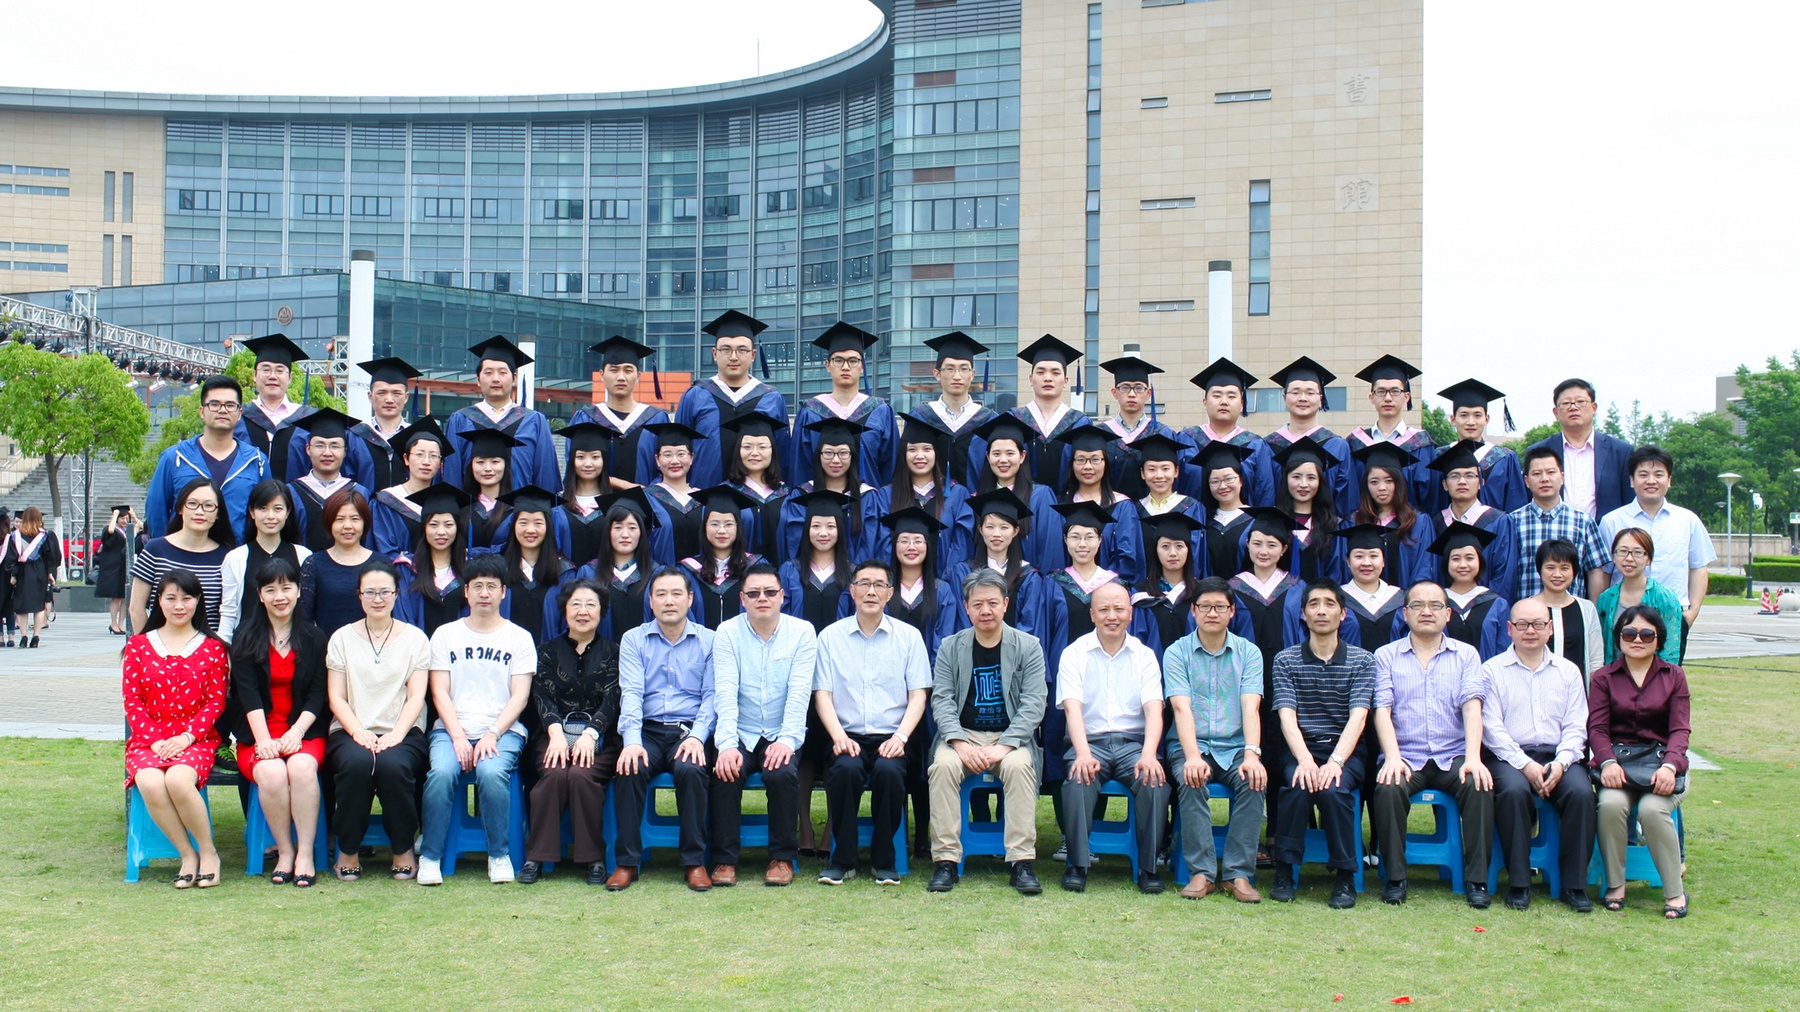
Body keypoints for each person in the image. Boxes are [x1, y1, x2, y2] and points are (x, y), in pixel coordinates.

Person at [1370, 579, 1494, 909]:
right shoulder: (1386, 656)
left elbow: (1472, 707)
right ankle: (1395, 878)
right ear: (1405, 613)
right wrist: (1392, 757)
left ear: (1448, 614)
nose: (1427, 611)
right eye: (1418, 605)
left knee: (1479, 783)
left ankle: (1477, 879)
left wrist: (1473, 757)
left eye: (1436, 605)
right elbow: (1382, 709)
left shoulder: (1466, 655)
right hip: (1406, 755)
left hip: (1453, 755)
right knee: (1388, 787)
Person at [924, 567, 1048, 895]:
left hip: (1011, 738)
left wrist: (1004, 746)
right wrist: (960, 744)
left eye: (993, 603)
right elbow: (942, 700)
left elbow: (1034, 704)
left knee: (1019, 767)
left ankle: (1021, 861)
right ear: (966, 607)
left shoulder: (1028, 646)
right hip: (963, 735)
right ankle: (946, 860)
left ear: (1006, 604)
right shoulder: (951, 647)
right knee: (943, 766)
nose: (986, 611)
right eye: (978, 604)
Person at [812, 560, 933, 885]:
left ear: (890, 593)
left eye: (879, 585)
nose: (871, 591)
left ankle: (884, 860)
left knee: (889, 772)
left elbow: (918, 695)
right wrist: (838, 736)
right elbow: (822, 694)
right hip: (846, 734)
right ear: (851, 591)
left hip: (893, 736)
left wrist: (901, 738)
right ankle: (843, 860)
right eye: (864, 584)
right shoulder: (830, 637)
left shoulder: (908, 637)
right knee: (845, 770)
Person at [418, 553, 536, 885]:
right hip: (450, 729)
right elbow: (439, 692)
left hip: (503, 731)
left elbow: (520, 697)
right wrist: (457, 736)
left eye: (492, 586)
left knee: (491, 772)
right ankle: (430, 856)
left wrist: (492, 733)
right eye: (478, 586)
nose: (484, 593)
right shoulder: (445, 635)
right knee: (441, 773)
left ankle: (499, 855)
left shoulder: (519, 638)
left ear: (503, 592)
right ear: (466, 591)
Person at [1481, 598, 1596, 912]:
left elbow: (1577, 725)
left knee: (1581, 793)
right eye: (1522, 624)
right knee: (1513, 792)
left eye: (1538, 624)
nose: (1530, 631)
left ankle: (1574, 885)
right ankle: (1519, 883)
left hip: (1559, 755)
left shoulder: (1568, 671)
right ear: (1509, 629)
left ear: (1550, 629)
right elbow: (1491, 729)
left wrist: (1561, 763)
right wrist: (1526, 765)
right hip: (1508, 757)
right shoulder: (1491, 671)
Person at [609, 566, 717, 892]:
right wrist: (631, 741)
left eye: (676, 594)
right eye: (661, 594)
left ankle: (694, 862)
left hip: (689, 730)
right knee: (630, 767)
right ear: (651, 601)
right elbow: (631, 693)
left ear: (690, 599)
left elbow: (712, 697)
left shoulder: (710, 641)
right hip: (648, 730)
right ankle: (627, 862)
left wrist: (697, 737)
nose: (669, 601)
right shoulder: (634, 639)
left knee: (692, 770)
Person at [122, 568, 231, 889]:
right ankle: (187, 854)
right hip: (148, 740)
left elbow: (215, 703)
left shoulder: (213, 648)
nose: (179, 605)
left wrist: (186, 737)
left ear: (198, 601)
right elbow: (132, 701)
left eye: (187, 598)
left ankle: (209, 853)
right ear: (159, 601)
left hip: (195, 738)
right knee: (150, 781)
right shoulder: (138, 646)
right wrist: (155, 741)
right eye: (171, 598)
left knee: (179, 780)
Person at [710, 563, 818, 887]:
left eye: (770, 592)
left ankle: (782, 858)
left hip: (781, 730)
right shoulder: (727, 632)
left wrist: (786, 741)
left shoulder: (802, 632)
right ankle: (725, 860)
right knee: (726, 771)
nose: (762, 598)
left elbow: (799, 693)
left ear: (782, 596)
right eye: (754, 593)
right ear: (742, 598)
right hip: (740, 730)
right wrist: (727, 745)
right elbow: (725, 691)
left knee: (782, 773)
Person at [1055, 581, 1167, 893]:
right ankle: (1077, 864)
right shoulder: (1074, 653)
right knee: (1078, 779)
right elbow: (1072, 709)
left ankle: (1149, 867)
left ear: (1130, 613)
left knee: (1154, 782)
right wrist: (1082, 753)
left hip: (1134, 743)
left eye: (1119, 609)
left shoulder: (1144, 656)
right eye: (1103, 609)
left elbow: (1154, 710)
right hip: (1090, 742)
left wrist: (1149, 754)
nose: (1112, 616)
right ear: (1092, 614)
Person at [324, 557, 432, 881]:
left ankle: (403, 848)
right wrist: (357, 730)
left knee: (392, 766)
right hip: (350, 729)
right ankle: (348, 849)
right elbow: (336, 697)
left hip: (403, 730)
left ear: (397, 594)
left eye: (385, 592)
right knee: (357, 765)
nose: (377, 599)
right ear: (359, 595)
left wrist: (397, 734)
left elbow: (417, 696)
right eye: (369, 592)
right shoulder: (341, 638)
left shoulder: (415, 639)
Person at [1268, 579, 1373, 908]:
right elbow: (1287, 717)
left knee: (1333, 791)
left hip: (1345, 751)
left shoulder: (1362, 661)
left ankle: (1345, 876)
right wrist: (1305, 761)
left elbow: (1358, 717)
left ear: (1343, 613)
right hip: (1301, 748)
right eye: (1314, 604)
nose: (1321, 611)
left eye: (1330, 604)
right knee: (1298, 786)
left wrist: (1335, 762)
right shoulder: (1286, 660)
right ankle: (1284, 871)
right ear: (1303, 614)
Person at [1164, 577, 1267, 902]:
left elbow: (1251, 706)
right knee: (1191, 779)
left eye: (1219, 607)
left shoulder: (1249, 653)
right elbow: (1180, 707)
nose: (1212, 613)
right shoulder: (1176, 652)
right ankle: (1201, 872)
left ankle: (1238, 874)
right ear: (1193, 611)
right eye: (1205, 606)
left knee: (1254, 781)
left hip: (1235, 745)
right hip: (1191, 745)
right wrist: (1193, 756)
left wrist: (1251, 754)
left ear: (1232, 611)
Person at [228, 556, 327, 887]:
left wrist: (297, 732)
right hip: (258, 732)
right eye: (270, 589)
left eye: (286, 588)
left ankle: (306, 853)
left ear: (298, 591)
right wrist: (263, 741)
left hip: (304, 730)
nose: (279, 596)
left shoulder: (314, 637)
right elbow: (247, 695)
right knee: (271, 772)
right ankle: (285, 851)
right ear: (260, 595)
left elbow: (318, 694)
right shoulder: (245, 637)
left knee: (301, 767)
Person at [1589, 605, 1691, 918]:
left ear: (1658, 640)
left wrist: (1670, 766)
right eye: (1629, 633)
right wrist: (1607, 762)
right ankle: (1615, 884)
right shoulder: (1603, 678)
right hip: (1618, 767)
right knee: (1610, 804)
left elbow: (1680, 730)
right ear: (1618, 637)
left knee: (1652, 809)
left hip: (1663, 766)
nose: (1637, 639)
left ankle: (1674, 892)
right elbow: (1597, 729)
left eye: (1647, 634)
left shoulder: (1674, 676)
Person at [518, 581, 621, 885]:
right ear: (564, 610)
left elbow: (613, 699)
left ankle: (593, 859)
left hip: (600, 740)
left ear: (601, 611)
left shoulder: (614, 653)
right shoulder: (546, 652)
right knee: (553, 775)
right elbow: (541, 696)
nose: (583, 611)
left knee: (580, 775)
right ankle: (536, 857)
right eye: (575, 604)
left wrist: (591, 733)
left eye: (591, 604)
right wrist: (556, 734)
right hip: (553, 737)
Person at [1597, 445, 1714, 662]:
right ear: (1632, 480)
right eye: (1643, 475)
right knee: (1618, 676)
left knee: (1667, 677)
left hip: (1672, 617)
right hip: (1622, 617)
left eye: (1658, 474)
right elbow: (1604, 572)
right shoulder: (1612, 521)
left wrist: (1691, 613)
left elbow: (1699, 567)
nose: (1651, 481)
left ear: (1669, 480)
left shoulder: (1687, 520)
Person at [663, 310, 792, 490]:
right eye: (726, 349)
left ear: (753, 355)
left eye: (742, 350)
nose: (733, 357)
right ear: (714, 353)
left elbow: (782, 455)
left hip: (758, 499)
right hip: (704, 494)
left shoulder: (771, 398)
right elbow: (679, 448)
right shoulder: (695, 395)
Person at [145, 375, 270, 542]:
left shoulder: (257, 461)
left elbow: (265, 512)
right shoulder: (174, 458)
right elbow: (156, 512)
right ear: (202, 411)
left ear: (240, 413)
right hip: (185, 554)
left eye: (230, 405)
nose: (223, 410)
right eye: (214, 404)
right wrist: (167, 551)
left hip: (237, 554)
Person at [441, 335, 561, 494]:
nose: (496, 379)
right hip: (472, 508)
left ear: (514, 378)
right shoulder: (460, 420)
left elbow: (545, 476)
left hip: (521, 508)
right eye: (488, 373)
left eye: (503, 372)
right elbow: (452, 474)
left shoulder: (534, 421)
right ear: (478, 380)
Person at [789, 322, 897, 488]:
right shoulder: (810, 411)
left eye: (853, 361)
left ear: (862, 366)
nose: (845, 367)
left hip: (869, 501)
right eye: (838, 360)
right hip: (820, 501)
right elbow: (800, 468)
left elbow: (891, 468)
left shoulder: (880, 411)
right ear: (827, 365)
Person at [128, 481, 231, 637]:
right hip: (161, 647)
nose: (200, 511)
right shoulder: (155, 550)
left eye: (208, 506)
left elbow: (229, 613)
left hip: (209, 647)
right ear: (180, 508)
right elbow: (136, 608)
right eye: (192, 504)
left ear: (218, 513)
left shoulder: (227, 556)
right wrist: (147, 646)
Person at [873, 409, 974, 567]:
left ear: (936, 454)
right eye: (912, 450)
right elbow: (882, 543)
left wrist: (945, 579)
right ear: (903, 454)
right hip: (898, 580)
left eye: (927, 449)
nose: (920, 456)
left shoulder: (957, 493)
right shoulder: (887, 495)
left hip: (944, 580)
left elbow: (961, 545)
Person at [1511, 445, 1610, 602]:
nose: (1544, 479)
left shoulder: (1583, 521)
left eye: (1551, 472)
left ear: (1562, 477)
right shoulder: (1512, 521)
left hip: (1571, 612)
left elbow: (1595, 571)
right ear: (1527, 481)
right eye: (1536, 473)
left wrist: (1592, 610)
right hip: (1526, 613)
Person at [218, 479, 312, 643]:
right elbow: (229, 611)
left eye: (278, 509)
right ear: (252, 512)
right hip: (248, 647)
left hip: (293, 647)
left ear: (288, 512)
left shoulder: (303, 556)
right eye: (263, 508)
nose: (270, 516)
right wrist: (224, 649)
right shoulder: (236, 558)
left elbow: (308, 608)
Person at [971, 413, 1064, 576]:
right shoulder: (976, 499)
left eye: (1010, 453)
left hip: (1029, 585)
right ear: (988, 456)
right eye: (996, 454)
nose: (1003, 460)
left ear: (1022, 456)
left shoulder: (1040, 496)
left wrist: (1036, 585)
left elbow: (1050, 551)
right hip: (984, 585)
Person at [1528, 378, 1634, 519]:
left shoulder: (1620, 451)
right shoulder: (1538, 451)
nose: (1573, 407)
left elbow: (1629, 501)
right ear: (1556, 412)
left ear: (1594, 408)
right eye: (1566, 403)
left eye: (1580, 402)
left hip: (1605, 531)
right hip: (1553, 530)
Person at [1346, 355, 1439, 511]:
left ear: (1406, 397)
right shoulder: (1354, 444)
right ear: (1371, 397)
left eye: (1395, 391)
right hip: (1364, 524)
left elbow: (1432, 497)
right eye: (1381, 391)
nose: (1388, 398)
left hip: (1411, 524)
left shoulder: (1421, 444)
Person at [1179, 357, 1275, 507]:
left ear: (1242, 404)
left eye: (1231, 396)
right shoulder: (1186, 439)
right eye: (1216, 395)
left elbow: (1264, 494)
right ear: (1205, 402)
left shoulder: (1256, 445)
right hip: (1192, 520)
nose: (1224, 401)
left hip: (1242, 521)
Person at [782, 418, 880, 563]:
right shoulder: (802, 494)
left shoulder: (867, 496)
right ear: (818, 456)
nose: (835, 460)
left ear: (852, 456)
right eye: (828, 452)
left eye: (843, 453)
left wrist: (854, 572)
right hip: (811, 574)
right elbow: (795, 542)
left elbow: (869, 544)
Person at [1262, 356, 1354, 511]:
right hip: (1277, 525)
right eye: (1295, 392)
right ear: (1284, 398)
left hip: (1326, 524)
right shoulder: (1268, 446)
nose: (1303, 398)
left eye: (1310, 393)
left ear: (1320, 399)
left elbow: (1345, 500)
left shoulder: (1337, 446)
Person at [577, 334, 667, 487]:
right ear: (601, 375)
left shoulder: (656, 420)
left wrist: (648, 495)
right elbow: (574, 468)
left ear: (638, 376)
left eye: (628, 370)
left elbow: (665, 471)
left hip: (645, 501)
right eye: (614, 370)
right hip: (595, 501)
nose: (621, 377)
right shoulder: (586, 418)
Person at [1058, 426, 1145, 584]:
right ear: (1072, 464)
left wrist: (1101, 586)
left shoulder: (1122, 506)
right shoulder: (1061, 506)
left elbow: (1127, 559)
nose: (1088, 466)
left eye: (1095, 459)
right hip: (1067, 590)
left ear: (1106, 463)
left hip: (1111, 592)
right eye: (1080, 460)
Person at [493, 484, 575, 645]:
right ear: (513, 526)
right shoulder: (498, 568)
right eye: (523, 522)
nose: (530, 530)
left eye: (538, 523)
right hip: (503, 655)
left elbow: (569, 625)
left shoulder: (565, 573)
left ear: (548, 527)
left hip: (550, 657)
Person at [1010, 334, 1091, 491]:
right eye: (1040, 372)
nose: (1048, 378)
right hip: (1022, 501)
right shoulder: (1016, 419)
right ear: (1030, 379)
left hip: (1068, 502)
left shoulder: (1079, 422)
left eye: (1055, 373)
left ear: (1066, 381)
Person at [920, 330, 999, 489]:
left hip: (978, 501)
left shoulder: (989, 420)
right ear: (937, 374)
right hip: (931, 501)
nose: (957, 376)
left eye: (964, 369)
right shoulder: (921, 418)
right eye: (949, 369)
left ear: (973, 374)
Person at [392, 483, 473, 638]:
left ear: (457, 528)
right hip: (417, 649)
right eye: (433, 525)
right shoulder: (406, 568)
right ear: (424, 528)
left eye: (448, 525)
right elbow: (402, 616)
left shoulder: (470, 567)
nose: (441, 532)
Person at [233, 334, 316, 480]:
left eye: (279, 370)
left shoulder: (308, 419)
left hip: (295, 494)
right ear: (254, 375)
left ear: (290, 377)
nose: (272, 376)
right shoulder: (237, 417)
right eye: (266, 369)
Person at [1095, 353, 1177, 501]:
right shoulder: (1101, 433)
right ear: (1114, 393)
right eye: (1125, 387)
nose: (1132, 394)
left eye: (1139, 388)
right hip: (1110, 510)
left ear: (1148, 393)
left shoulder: (1162, 432)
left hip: (1151, 511)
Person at [1437, 378, 1527, 514]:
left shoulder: (1504, 458)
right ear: (1453, 419)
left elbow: (1515, 507)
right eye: (1464, 415)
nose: (1471, 422)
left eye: (1477, 415)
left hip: (1497, 527)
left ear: (1486, 419)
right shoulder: (1440, 456)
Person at [1597, 528, 1685, 665]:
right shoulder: (1605, 599)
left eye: (1637, 552)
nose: (1629, 558)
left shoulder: (1665, 597)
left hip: (1654, 676)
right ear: (1613, 556)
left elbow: (1670, 652)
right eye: (1623, 551)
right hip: (1615, 675)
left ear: (1648, 559)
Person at [1350, 441, 1432, 588]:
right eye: (1374, 482)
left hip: (1408, 600)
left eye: (1389, 481)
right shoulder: (1353, 522)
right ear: (1366, 486)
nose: (1382, 487)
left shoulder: (1418, 522)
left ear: (1399, 483)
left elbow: (1423, 570)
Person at [298, 486, 376, 639]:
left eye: (355, 519)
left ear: (364, 522)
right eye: (339, 519)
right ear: (329, 523)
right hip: (326, 649)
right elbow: (305, 619)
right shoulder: (313, 564)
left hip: (373, 648)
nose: (347, 526)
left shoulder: (381, 564)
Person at [681, 485, 763, 628]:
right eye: (714, 524)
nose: (721, 531)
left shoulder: (756, 567)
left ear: (738, 528)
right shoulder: (687, 570)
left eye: (728, 524)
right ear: (704, 527)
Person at [1429, 521, 1512, 660]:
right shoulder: (1436, 602)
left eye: (1470, 558)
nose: (1463, 565)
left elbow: (1504, 651)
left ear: (1480, 561)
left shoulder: (1497, 604)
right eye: (1455, 559)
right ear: (1446, 563)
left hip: (1486, 673)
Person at [285, 407, 363, 552]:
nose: (327, 453)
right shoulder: (291, 492)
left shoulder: (359, 492)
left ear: (345, 451)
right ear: (308, 449)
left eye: (335, 446)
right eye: (319, 445)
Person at [370, 417, 450, 558]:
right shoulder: (386, 502)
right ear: (406, 459)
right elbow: (383, 550)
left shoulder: (446, 502)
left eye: (433, 456)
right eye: (419, 454)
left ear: (440, 463)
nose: (426, 462)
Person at [342, 358, 423, 495]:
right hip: (364, 507)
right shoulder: (354, 436)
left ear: (406, 397)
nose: (389, 400)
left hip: (409, 508)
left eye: (396, 393)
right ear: (370, 396)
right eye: (381, 393)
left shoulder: (417, 437)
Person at [1130, 512, 1207, 654]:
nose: (1172, 553)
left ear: (1188, 550)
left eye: (1179, 546)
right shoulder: (1140, 594)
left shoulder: (1202, 593)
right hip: (1152, 667)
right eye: (1165, 546)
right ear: (1156, 551)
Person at [1273, 436, 1346, 583]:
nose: (1303, 484)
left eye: (1311, 477)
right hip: (1283, 597)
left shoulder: (1332, 525)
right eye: (1296, 477)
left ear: (1320, 482)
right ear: (1286, 479)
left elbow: (1336, 573)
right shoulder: (1274, 521)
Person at [1527, 539, 1604, 678]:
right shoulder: (1527, 608)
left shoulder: (1586, 609)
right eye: (1550, 567)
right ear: (1540, 570)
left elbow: (1595, 661)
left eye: (1564, 568)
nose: (1557, 574)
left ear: (1574, 571)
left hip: (1577, 689)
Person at [721, 413, 788, 563]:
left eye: (762, 447)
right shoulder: (725, 493)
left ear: (772, 451)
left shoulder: (787, 494)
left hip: (782, 573)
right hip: (738, 573)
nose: (755, 453)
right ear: (738, 451)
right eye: (747, 446)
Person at [643, 421, 709, 563]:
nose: (674, 461)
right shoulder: (646, 498)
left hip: (702, 575)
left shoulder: (704, 499)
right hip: (661, 575)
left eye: (681, 454)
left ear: (691, 458)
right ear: (657, 460)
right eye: (667, 455)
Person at [1333, 524, 1406, 652]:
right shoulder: (1336, 598)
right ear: (1348, 561)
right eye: (1359, 556)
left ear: (1383, 561)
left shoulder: (1401, 599)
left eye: (1373, 556)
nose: (1366, 563)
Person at [555, 421, 619, 565]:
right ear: (572, 461)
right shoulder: (557, 503)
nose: (588, 464)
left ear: (604, 460)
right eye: (580, 457)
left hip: (605, 577)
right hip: (565, 577)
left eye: (595, 457)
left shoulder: (615, 504)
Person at [456, 425, 524, 551]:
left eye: (495, 462)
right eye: (480, 462)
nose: (487, 468)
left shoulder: (516, 508)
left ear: (505, 465)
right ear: (471, 466)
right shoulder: (461, 508)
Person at [1195, 441, 1257, 579]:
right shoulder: (1204, 521)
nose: (1222, 486)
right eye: (1215, 481)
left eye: (1229, 479)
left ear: (1241, 481)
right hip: (1209, 590)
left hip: (1245, 590)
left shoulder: (1256, 519)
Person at [9, 506, 66, 647]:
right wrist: (50, 573)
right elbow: (52, 557)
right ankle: (36, 636)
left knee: (22, 606)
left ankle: (23, 636)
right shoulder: (45, 536)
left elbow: (11, 557)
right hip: (39, 572)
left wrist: (13, 574)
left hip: (22, 573)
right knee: (39, 605)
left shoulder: (15, 536)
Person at [95, 504, 137, 634]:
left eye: (126, 518)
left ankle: (121, 624)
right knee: (116, 597)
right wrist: (114, 516)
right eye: (122, 518)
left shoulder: (127, 530)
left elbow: (140, 526)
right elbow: (110, 531)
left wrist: (134, 517)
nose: (125, 521)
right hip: (113, 567)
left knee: (124, 597)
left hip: (125, 566)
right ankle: (113, 623)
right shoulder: (110, 529)